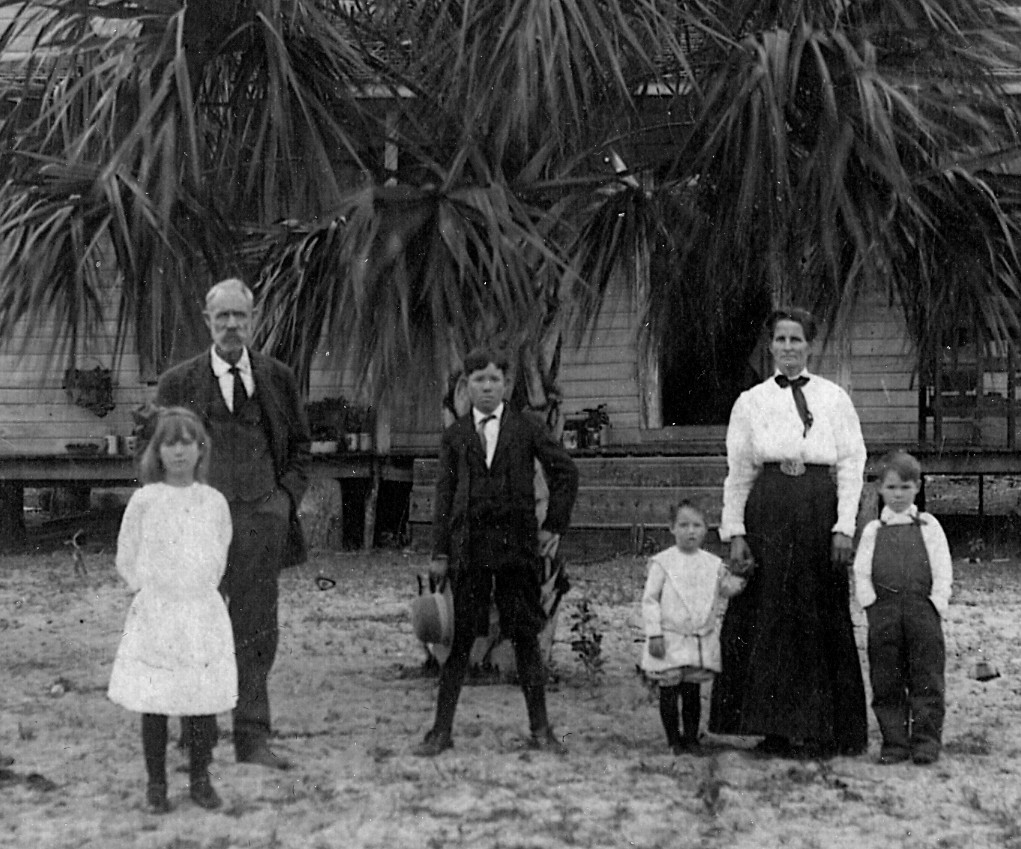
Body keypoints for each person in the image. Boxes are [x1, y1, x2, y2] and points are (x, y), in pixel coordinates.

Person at [156, 277, 311, 771]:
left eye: (239, 317)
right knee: (196, 628)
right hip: (197, 529)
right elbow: (160, 456)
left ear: (253, 320)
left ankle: (252, 736)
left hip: (260, 524)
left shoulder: (278, 378)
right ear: (207, 321)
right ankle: (194, 736)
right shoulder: (178, 383)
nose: (230, 326)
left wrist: (284, 500)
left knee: (256, 629)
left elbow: (302, 448)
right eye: (221, 317)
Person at [709, 307, 869, 758]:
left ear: (810, 345)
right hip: (771, 511)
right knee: (770, 614)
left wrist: (844, 525)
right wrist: (735, 531)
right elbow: (738, 471)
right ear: (770, 345)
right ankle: (772, 727)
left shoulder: (835, 398)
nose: (788, 348)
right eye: (780, 340)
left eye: (796, 340)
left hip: (819, 509)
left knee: (819, 610)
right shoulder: (751, 401)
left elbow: (852, 463)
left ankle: (821, 728)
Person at [413, 348, 579, 756]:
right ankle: (441, 731)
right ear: (465, 387)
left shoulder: (526, 428)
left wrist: (553, 527)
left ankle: (541, 730)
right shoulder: (455, 437)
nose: (486, 388)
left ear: (505, 385)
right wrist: (439, 551)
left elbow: (565, 472)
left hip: (516, 551)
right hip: (469, 550)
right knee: (460, 640)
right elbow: (445, 493)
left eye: (494, 380)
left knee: (524, 636)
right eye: (477, 381)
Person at [108, 408, 236, 812]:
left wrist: (199, 592)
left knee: (199, 698)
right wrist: (146, 591)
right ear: (157, 451)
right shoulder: (146, 500)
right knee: (156, 699)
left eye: (187, 443)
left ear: (200, 450)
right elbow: (126, 553)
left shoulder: (213, 502)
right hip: (158, 611)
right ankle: (156, 784)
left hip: (198, 610)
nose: (179, 452)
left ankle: (201, 780)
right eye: (170, 443)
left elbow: (219, 553)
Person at [853, 451, 952, 765]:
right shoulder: (873, 531)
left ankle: (925, 740)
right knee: (886, 677)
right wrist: (869, 603)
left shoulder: (928, 525)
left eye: (905, 488)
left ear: (918, 487)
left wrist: (937, 601)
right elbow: (861, 570)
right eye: (892, 488)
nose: (898, 495)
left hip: (921, 610)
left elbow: (942, 566)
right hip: (884, 612)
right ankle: (894, 741)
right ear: (880, 488)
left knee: (926, 675)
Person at [640, 501, 746, 754]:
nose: (690, 531)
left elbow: (725, 589)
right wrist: (654, 633)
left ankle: (691, 738)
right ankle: (673, 740)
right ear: (672, 528)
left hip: (698, 640)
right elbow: (650, 599)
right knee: (669, 691)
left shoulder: (712, 564)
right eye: (683, 525)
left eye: (697, 525)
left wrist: (742, 578)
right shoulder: (662, 563)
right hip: (669, 638)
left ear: (706, 529)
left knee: (691, 691)